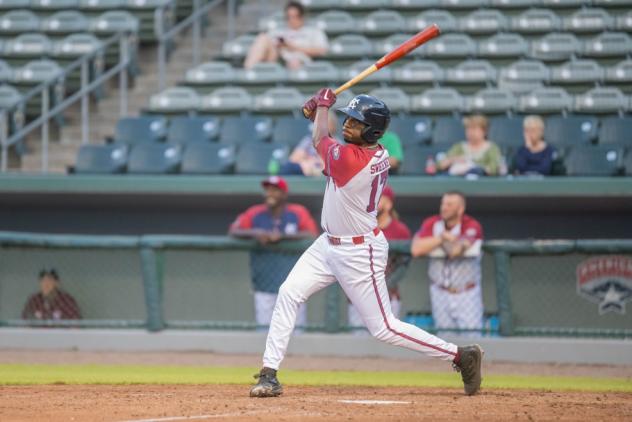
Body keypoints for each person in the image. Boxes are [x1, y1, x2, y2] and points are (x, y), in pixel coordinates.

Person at [249, 89, 483, 398]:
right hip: (327, 244)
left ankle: (460, 356)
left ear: (371, 131)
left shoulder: (353, 160)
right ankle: (269, 373)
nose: (347, 125)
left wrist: (321, 107)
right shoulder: (373, 151)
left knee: (383, 328)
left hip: (360, 251)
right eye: (347, 119)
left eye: (356, 122)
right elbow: (324, 135)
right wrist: (320, 111)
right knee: (289, 293)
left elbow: (321, 140)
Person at [229, 176, 319, 328]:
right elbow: (234, 231)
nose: (270, 193)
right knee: (265, 331)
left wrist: (282, 237)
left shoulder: (297, 212)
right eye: (268, 190)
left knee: (295, 331)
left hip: (294, 283)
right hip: (264, 282)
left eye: (275, 190)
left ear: (284, 194)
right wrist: (255, 233)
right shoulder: (255, 213)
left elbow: (311, 234)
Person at [410, 192, 484, 336]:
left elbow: (455, 251)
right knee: (445, 343)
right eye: (443, 204)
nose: (444, 208)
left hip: (466, 293)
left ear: (460, 209)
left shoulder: (471, 225)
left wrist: (436, 242)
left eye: (450, 205)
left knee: (472, 339)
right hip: (439, 291)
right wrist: (441, 238)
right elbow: (416, 249)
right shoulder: (432, 223)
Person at [347, 185, 411, 331]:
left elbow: (404, 264)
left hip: (387, 295)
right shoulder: (357, 226)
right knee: (358, 342)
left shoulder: (400, 230)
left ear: (388, 204)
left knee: (389, 341)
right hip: (358, 295)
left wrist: (387, 284)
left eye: (377, 198)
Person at [244, 1, 328, 70]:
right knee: (262, 37)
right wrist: (279, 45)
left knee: (294, 62)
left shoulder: (313, 31)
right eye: (288, 17)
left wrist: (292, 47)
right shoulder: (279, 30)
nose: (291, 20)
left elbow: (322, 50)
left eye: (295, 16)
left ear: (302, 17)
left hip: (299, 60)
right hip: (277, 58)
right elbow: (269, 44)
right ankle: (248, 72)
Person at [437, 114, 503, 176]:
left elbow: (493, 169)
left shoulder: (492, 148)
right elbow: (440, 165)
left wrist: (472, 167)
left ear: (484, 131)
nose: (470, 132)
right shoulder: (459, 147)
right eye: (468, 129)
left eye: (474, 129)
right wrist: (454, 159)